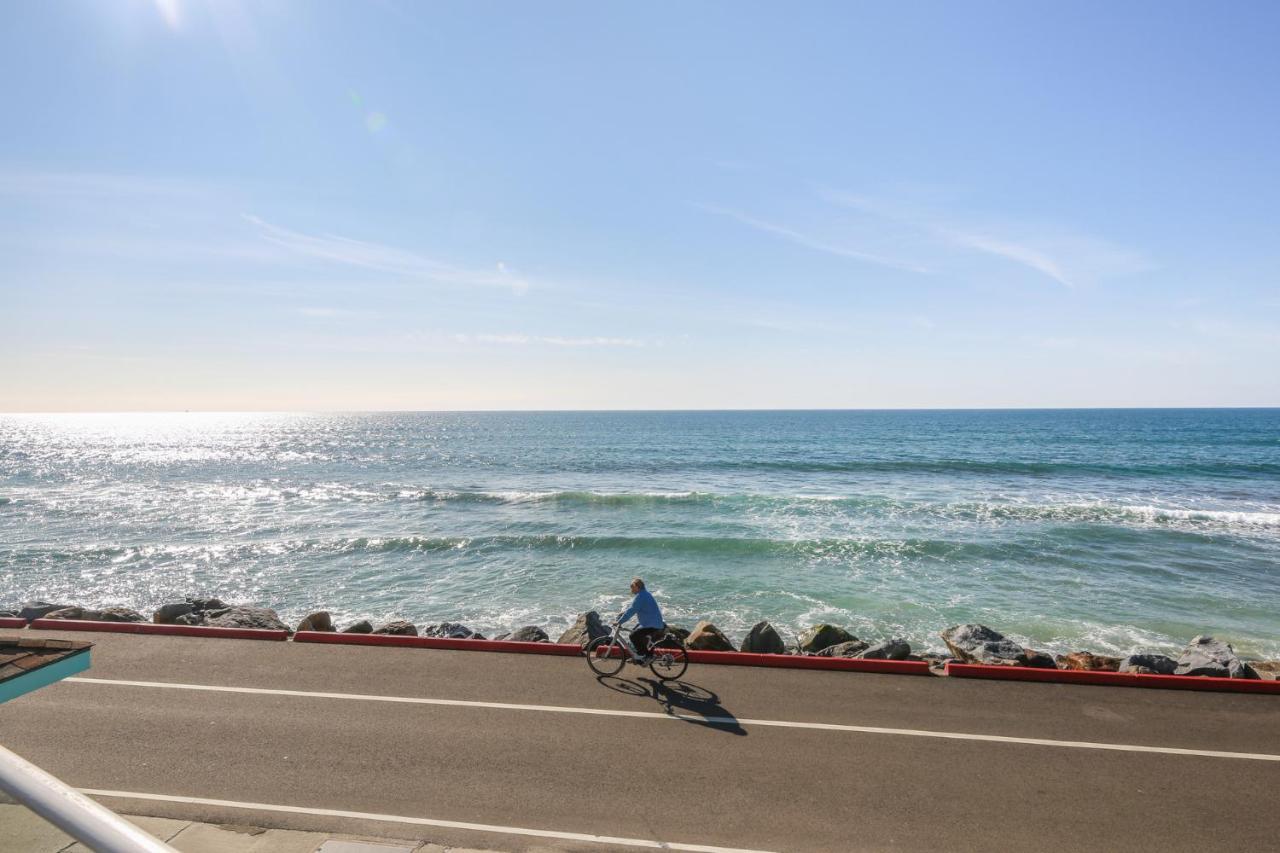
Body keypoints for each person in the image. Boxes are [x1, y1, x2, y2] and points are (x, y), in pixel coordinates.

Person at [617, 577, 664, 663]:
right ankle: (638, 657)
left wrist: (619, 621)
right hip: (653, 623)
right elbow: (633, 608)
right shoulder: (645, 594)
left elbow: (632, 611)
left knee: (633, 636)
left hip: (652, 625)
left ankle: (647, 656)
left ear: (637, 587)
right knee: (635, 632)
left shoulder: (640, 597)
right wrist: (623, 614)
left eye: (632, 587)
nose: (631, 590)